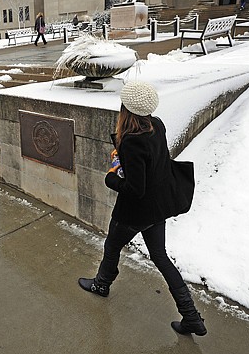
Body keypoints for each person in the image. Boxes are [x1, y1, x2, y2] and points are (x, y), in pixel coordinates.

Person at [78, 81, 207, 337]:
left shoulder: (131, 141)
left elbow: (136, 188)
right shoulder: (156, 125)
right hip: (158, 208)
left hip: (135, 212)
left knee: (112, 246)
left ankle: (102, 285)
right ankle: (191, 316)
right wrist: (122, 157)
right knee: (160, 257)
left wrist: (111, 178)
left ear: (125, 108)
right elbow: (151, 164)